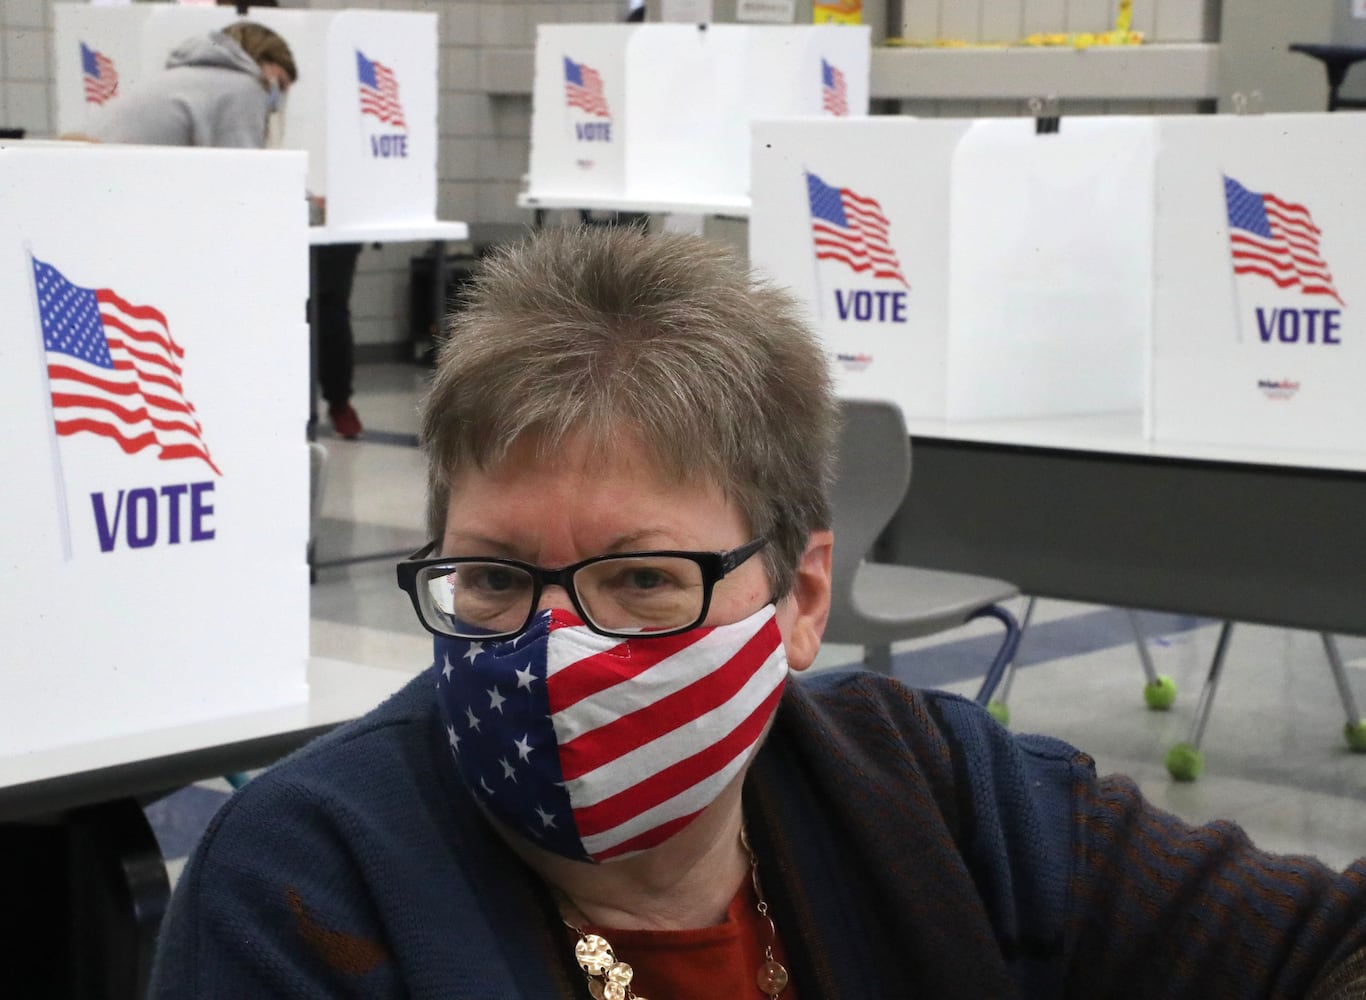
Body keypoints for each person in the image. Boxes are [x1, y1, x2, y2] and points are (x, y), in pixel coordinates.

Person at [148, 227, 1366, 998]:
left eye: (643, 579)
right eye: (496, 578)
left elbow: (1313, 941)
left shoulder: (933, 791)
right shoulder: (315, 885)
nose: (556, 651)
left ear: (799, 599)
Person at [84, 22, 296, 149]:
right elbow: (243, 176)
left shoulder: (188, 76)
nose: (278, 98)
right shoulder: (243, 87)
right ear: (262, 61)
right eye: (281, 83)